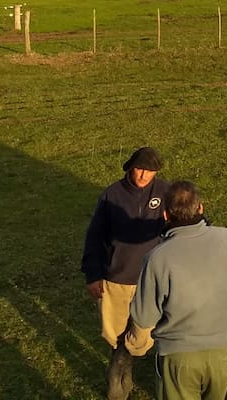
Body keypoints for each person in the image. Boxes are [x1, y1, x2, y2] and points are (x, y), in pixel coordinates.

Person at [125, 180, 227, 400]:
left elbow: (144, 317)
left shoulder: (157, 258)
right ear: (201, 208)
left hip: (178, 358)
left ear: (165, 215)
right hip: (220, 355)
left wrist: (134, 346)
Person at [81, 147, 171, 400]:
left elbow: (185, 220)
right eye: (140, 169)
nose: (143, 175)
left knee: (143, 333)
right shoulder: (112, 195)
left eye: (149, 171)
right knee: (116, 334)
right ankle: (118, 374)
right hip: (116, 278)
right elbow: (94, 236)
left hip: (151, 278)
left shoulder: (165, 191)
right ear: (131, 167)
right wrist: (93, 275)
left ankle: (122, 368)